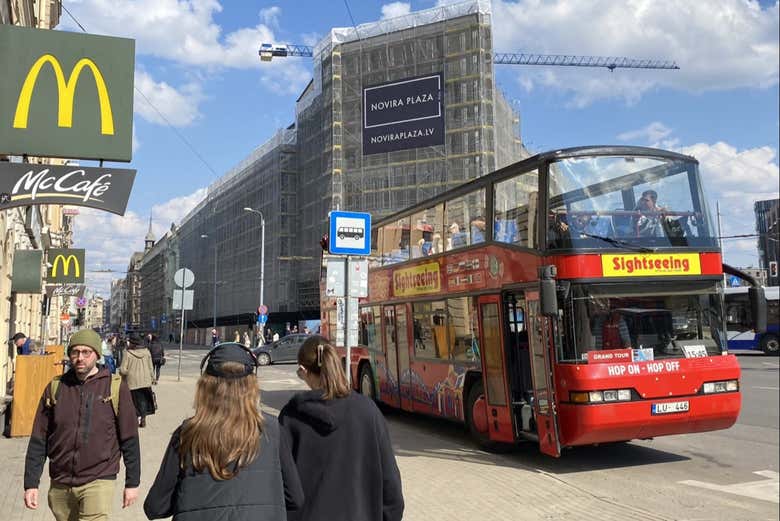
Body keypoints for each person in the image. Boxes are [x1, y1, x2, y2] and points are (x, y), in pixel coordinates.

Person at [144, 343, 303, 520]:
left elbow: (155, 507)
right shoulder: (272, 430)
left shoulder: (187, 434)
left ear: (205, 387)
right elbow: (295, 498)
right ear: (252, 386)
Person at [279, 336, 404, 521]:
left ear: (304, 370)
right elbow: (391, 488)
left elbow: (283, 487)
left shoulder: (291, 417)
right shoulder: (368, 412)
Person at [23, 329, 140, 519]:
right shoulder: (56, 387)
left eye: (86, 352)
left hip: (99, 479)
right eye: (75, 352)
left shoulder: (115, 387)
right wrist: (31, 483)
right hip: (61, 482)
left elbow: (130, 439)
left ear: (97, 355)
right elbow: (39, 438)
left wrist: (132, 483)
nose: (80, 358)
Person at [119, 335, 155, 428]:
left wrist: (127, 373)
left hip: (132, 381)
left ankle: (135, 419)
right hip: (145, 381)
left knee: (133, 402)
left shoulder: (127, 353)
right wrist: (152, 378)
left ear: (131, 343)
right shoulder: (147, 352)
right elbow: (151, 367)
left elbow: (123, 369)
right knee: (143, 401)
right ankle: (143, 418)